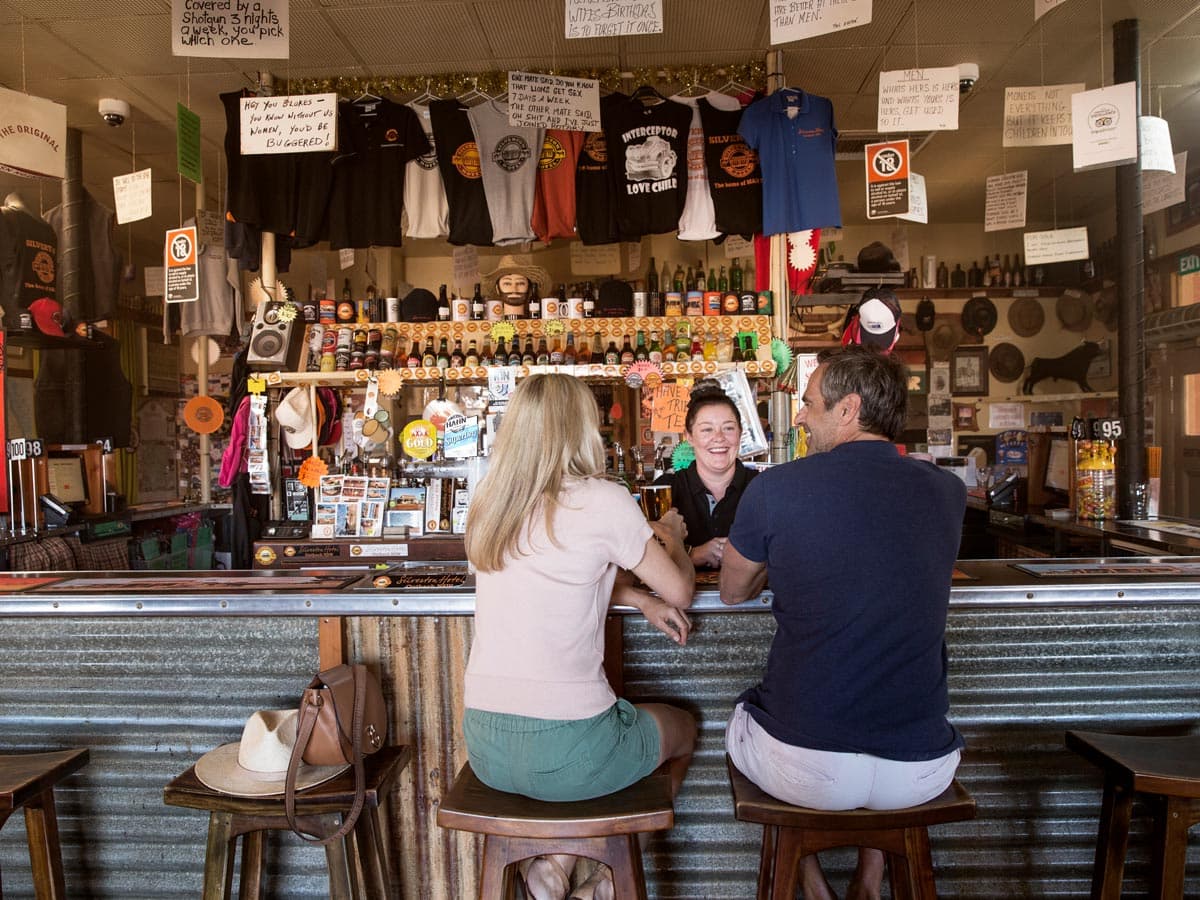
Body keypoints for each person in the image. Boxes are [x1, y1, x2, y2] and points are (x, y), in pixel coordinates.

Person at [719, 345, 966, 900]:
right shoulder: (948, 492)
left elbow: (732, 591)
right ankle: (868, 881)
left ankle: (811, 884)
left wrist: (773, 559)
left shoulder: (775, 488)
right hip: (921, 770)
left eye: (808, 404)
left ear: (848, 409)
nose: (801, 416)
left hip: (806, 769)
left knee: (737, 719)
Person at [463, 373, 697, 900]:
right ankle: (607, 879)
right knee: (684, 727)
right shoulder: (603, 499)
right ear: (582, 429)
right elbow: (681, 589)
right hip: (574, 752)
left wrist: (635, 598)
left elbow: (563, 579)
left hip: (486, 747)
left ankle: (554, 868)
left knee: (585, 759)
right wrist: (676, 537)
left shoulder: (489, 503)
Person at [654, 385, 757, 569]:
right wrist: (691, 554)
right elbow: (636, 557)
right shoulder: (665, 490)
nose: (718, 438)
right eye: (707, 430)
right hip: (678, 597)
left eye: (728, 428)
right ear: (689, 436)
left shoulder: (762, 488)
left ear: (741, 433)